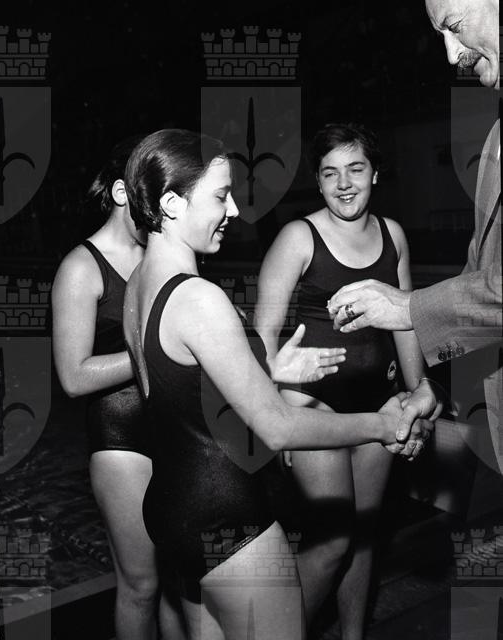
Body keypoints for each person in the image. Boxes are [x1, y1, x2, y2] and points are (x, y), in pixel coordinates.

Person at [122, 128, 424, 640]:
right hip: (226, 513)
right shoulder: (198, 297)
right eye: (221, 196)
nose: (234, 210)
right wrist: (383, 424)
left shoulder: (137, 283)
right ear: (171, 204)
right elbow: (277, 427)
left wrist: (269, 371)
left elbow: (181, 388)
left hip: (171, 505)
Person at [254, 122, 437, 639]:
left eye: (355, 169)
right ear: (317, 181)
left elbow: (406, 320)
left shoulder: (392, 235)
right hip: (314, 404)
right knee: (332, 541)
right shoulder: (299, 237)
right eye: (330, 173)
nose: (344, 183)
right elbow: (262, 335)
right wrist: (278, 413)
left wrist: (415, 393)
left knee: (364, 534)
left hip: (378, 403)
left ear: (375, 174)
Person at [328, 0, 501, 470]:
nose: (451, 54)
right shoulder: (495, 138)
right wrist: (437, 386)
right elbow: (478, 278)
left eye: (455, 26)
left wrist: (406, 307)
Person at [52, 138, 185, 640]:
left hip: (176, 431)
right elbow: (73, 376)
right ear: (121, 193)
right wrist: (154, 349)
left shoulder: (163, 255)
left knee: (179, 578)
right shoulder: (81, 267)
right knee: (141, 585)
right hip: (121, 438)